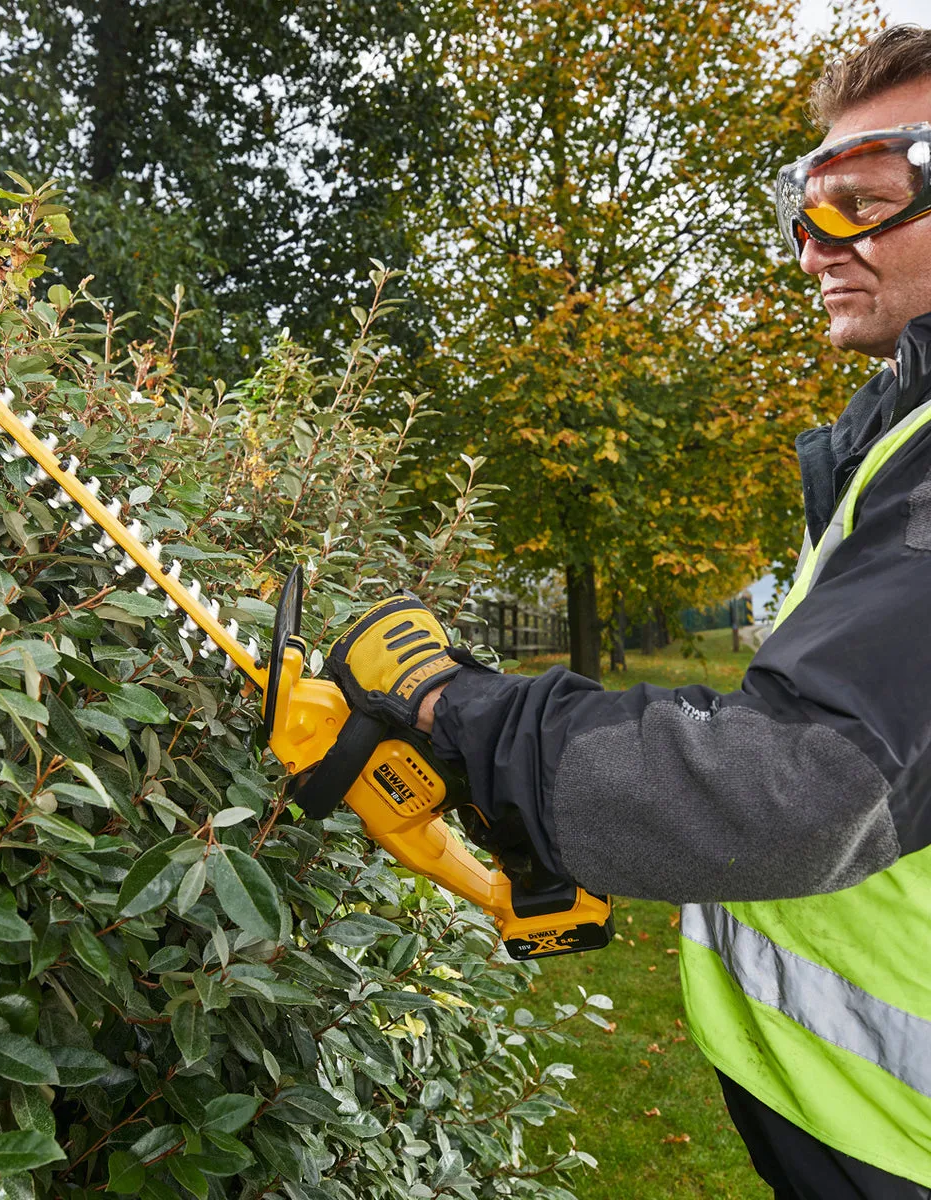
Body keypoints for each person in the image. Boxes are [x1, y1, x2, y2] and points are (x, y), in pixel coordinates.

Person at [325, 25, 931, 1200]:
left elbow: (797, 784)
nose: (815, 248)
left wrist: (459, 707)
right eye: (805, 210)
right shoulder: (897, 442)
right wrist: (563, 812)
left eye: (863, 202)